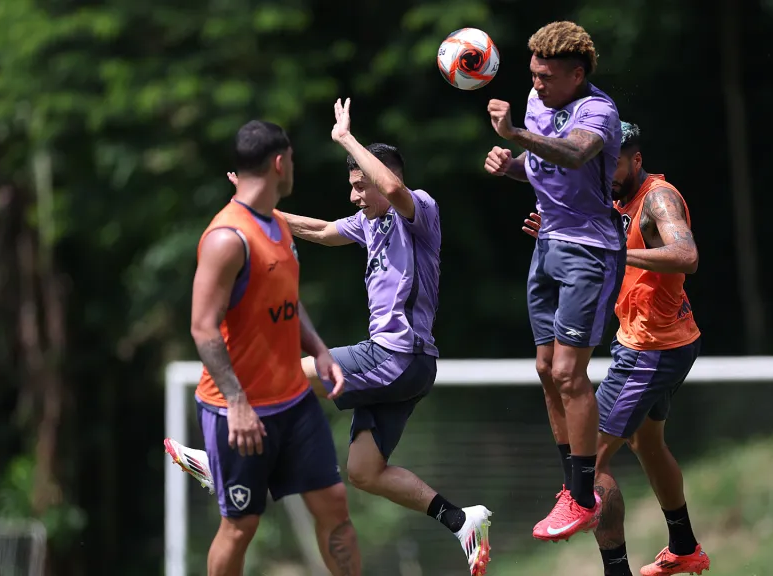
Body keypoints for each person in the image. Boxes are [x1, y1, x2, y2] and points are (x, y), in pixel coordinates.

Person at [168, 99, 493, 576]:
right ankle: (462, 519)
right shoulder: (369, 224)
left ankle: (225, 466)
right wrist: (256, 212)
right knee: (364, 471)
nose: (355, 196)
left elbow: (392, 186)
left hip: (396, 355)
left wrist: (345, 138)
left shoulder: (418, 209)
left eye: (360, 185)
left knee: (295, 375)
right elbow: (320, 231)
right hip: (405, 367)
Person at [521, 122, 710, 576]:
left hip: (651, 350)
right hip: (661, 341)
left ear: (636, 160)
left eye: (613, 164)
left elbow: (687, 257)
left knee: (589, 460)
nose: (604, 174)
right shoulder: (612, 198)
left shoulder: (658, 197)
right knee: (648, 444)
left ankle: (611, 564)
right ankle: (684, 546)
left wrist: (616, 254)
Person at [185, 119, 361, 575]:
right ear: (280, 163)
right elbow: (203, 328)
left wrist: (319, 348)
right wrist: (239, 405)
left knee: (334, 506)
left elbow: (286, 298)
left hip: (294, 403)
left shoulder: (278, 225)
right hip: (239, 412)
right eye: (293, 161)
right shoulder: (227, 238)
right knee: (240, 526)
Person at [483, 20, 625, 542]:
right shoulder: (537, 97)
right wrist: (510, 165)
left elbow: (573, 153)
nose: (537, 84)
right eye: (533, 74)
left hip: (588, 251)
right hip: (545, 246)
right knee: (545, 369)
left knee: (569, 373)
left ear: (577, 72)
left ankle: (584, 496)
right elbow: (543, 166)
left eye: (547, 76)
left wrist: (515, 135)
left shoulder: (599, 111)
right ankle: (572, 487)